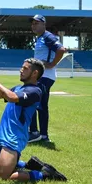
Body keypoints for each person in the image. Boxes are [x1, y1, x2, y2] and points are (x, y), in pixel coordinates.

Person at [0, 59, 67, 182]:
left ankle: (44, 174)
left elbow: (11, 97)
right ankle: (26, 164)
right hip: (1, 135)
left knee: (4, 176)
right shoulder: (19, 88)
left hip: (14, 138)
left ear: (34, 73)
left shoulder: (35, 91)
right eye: (21, 67)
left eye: (25, 68)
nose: (21, 70)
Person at [29, 15, 66, 143]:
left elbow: (61, 49)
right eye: (32, 23)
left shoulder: (48, 37)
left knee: (32, 101)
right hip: (42, 76)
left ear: (44, 24)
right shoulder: (40, 38)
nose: (33, 25)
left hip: (45, 77)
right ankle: (43, 136)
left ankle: (34, 132)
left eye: (36, 23)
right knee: (41, 104)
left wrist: (52, 64)